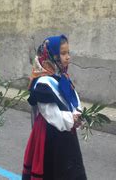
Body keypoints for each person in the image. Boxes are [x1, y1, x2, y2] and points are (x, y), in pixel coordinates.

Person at [22, 35, 87, 180]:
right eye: (63, 54)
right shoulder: (43, 84)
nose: (68, 57)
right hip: (49, 133)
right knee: (53, 170)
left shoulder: (62, 76)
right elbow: (50, 113)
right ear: (51, 55)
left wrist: (78, 114)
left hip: (66, 128)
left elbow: (73, 99)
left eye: (68, 53)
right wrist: (71, 120)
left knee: (69, 168)